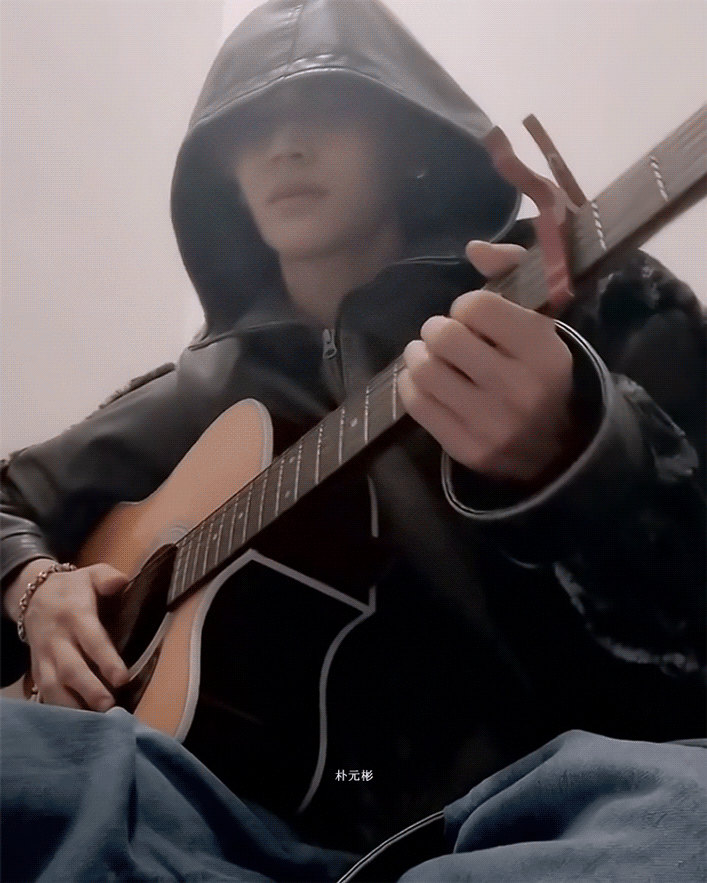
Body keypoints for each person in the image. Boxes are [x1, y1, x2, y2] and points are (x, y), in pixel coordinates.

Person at [2, 0, 705, 880]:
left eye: (326, 105)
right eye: (248, 127)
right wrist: (34, 588)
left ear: (413, 140)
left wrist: (582, 462)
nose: (283, 146)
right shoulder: (199, 389)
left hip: (538, 812)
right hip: (215, 823)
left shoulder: (588, 294)